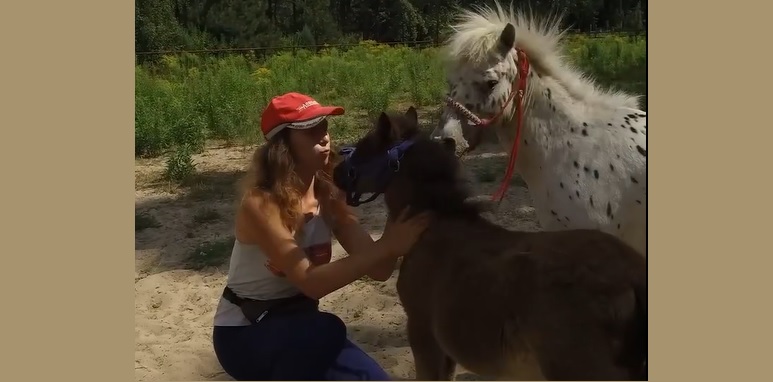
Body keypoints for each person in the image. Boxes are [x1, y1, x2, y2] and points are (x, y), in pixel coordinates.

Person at [211, 92, 431, 381]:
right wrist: (389, 245)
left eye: (324, 126)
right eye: (310, 130)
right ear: (283, 145)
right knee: (327, 329)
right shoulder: (260, 203)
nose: (324, 137)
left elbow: (379, 268)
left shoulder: (327, 195)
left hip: (303, 331)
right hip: (246, 333)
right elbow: (311, 283)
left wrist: (398, 209)